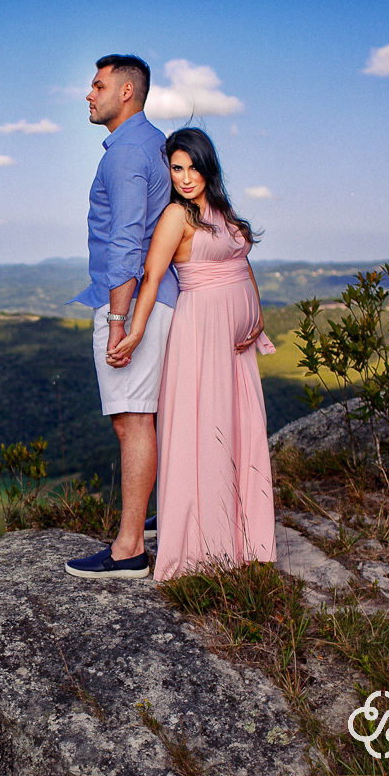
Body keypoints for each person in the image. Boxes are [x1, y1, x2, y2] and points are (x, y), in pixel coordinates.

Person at [107, 127, 277, 580]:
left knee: (239, 427)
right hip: (200, 333)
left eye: (192, 167)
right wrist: (133, 329)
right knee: (204, 427)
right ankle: (202, 544)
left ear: (208, 166)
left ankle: (242, 537)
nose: (184, 178)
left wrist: (256, 314)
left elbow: (243, 263)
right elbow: (152, 274)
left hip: (236, 341)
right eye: (176, 168)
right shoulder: (175, 218)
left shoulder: (221, 211)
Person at [64, 55, 179, 579]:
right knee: (146, 417)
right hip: (153, 301)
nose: (89, 95)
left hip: (132, 305)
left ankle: (129, 549)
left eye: (97, 85)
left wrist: (118, 321)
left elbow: (126, 239)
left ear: (127, 91)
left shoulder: (127, 152)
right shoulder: (151, 143)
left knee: (131, 421)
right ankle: (159, 520)